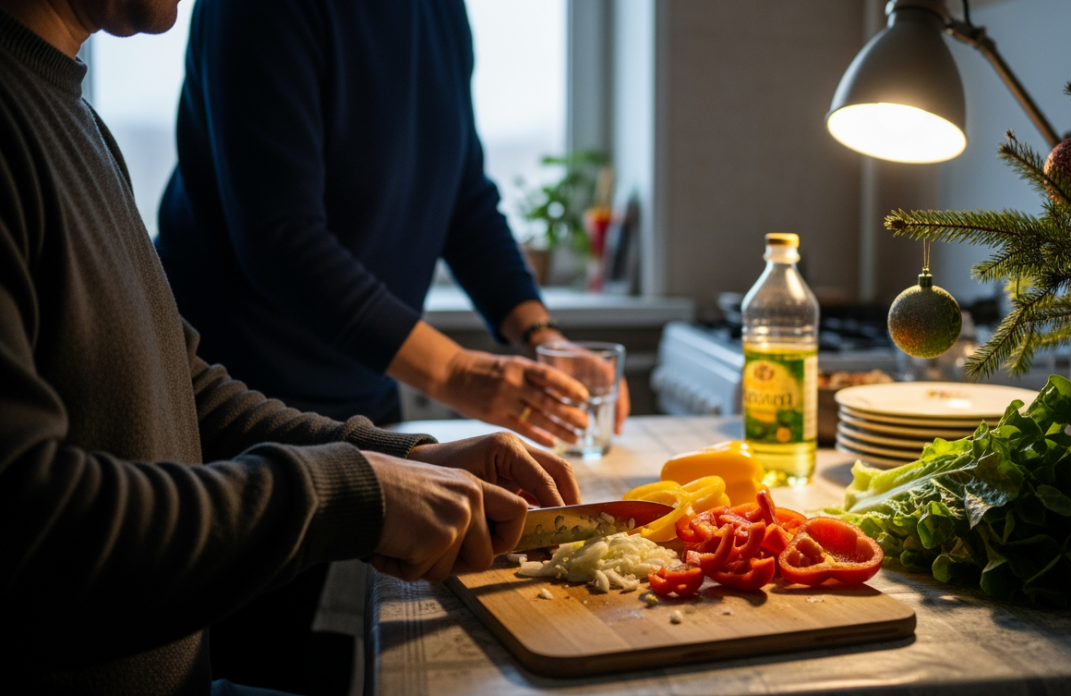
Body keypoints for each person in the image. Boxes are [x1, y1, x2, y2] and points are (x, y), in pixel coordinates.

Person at [0, 2, 579, 695]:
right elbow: (32, 533)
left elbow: (186, 390)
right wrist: (351, 488)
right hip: (264, 419)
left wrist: (403, 456)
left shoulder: (75, 117)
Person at [154, 0, 629, 443]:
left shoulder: (439, 9)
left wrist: (543, 338)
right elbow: (281, 238)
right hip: (235, 400)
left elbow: (463, 200)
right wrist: (454, 372)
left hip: (367, 397)